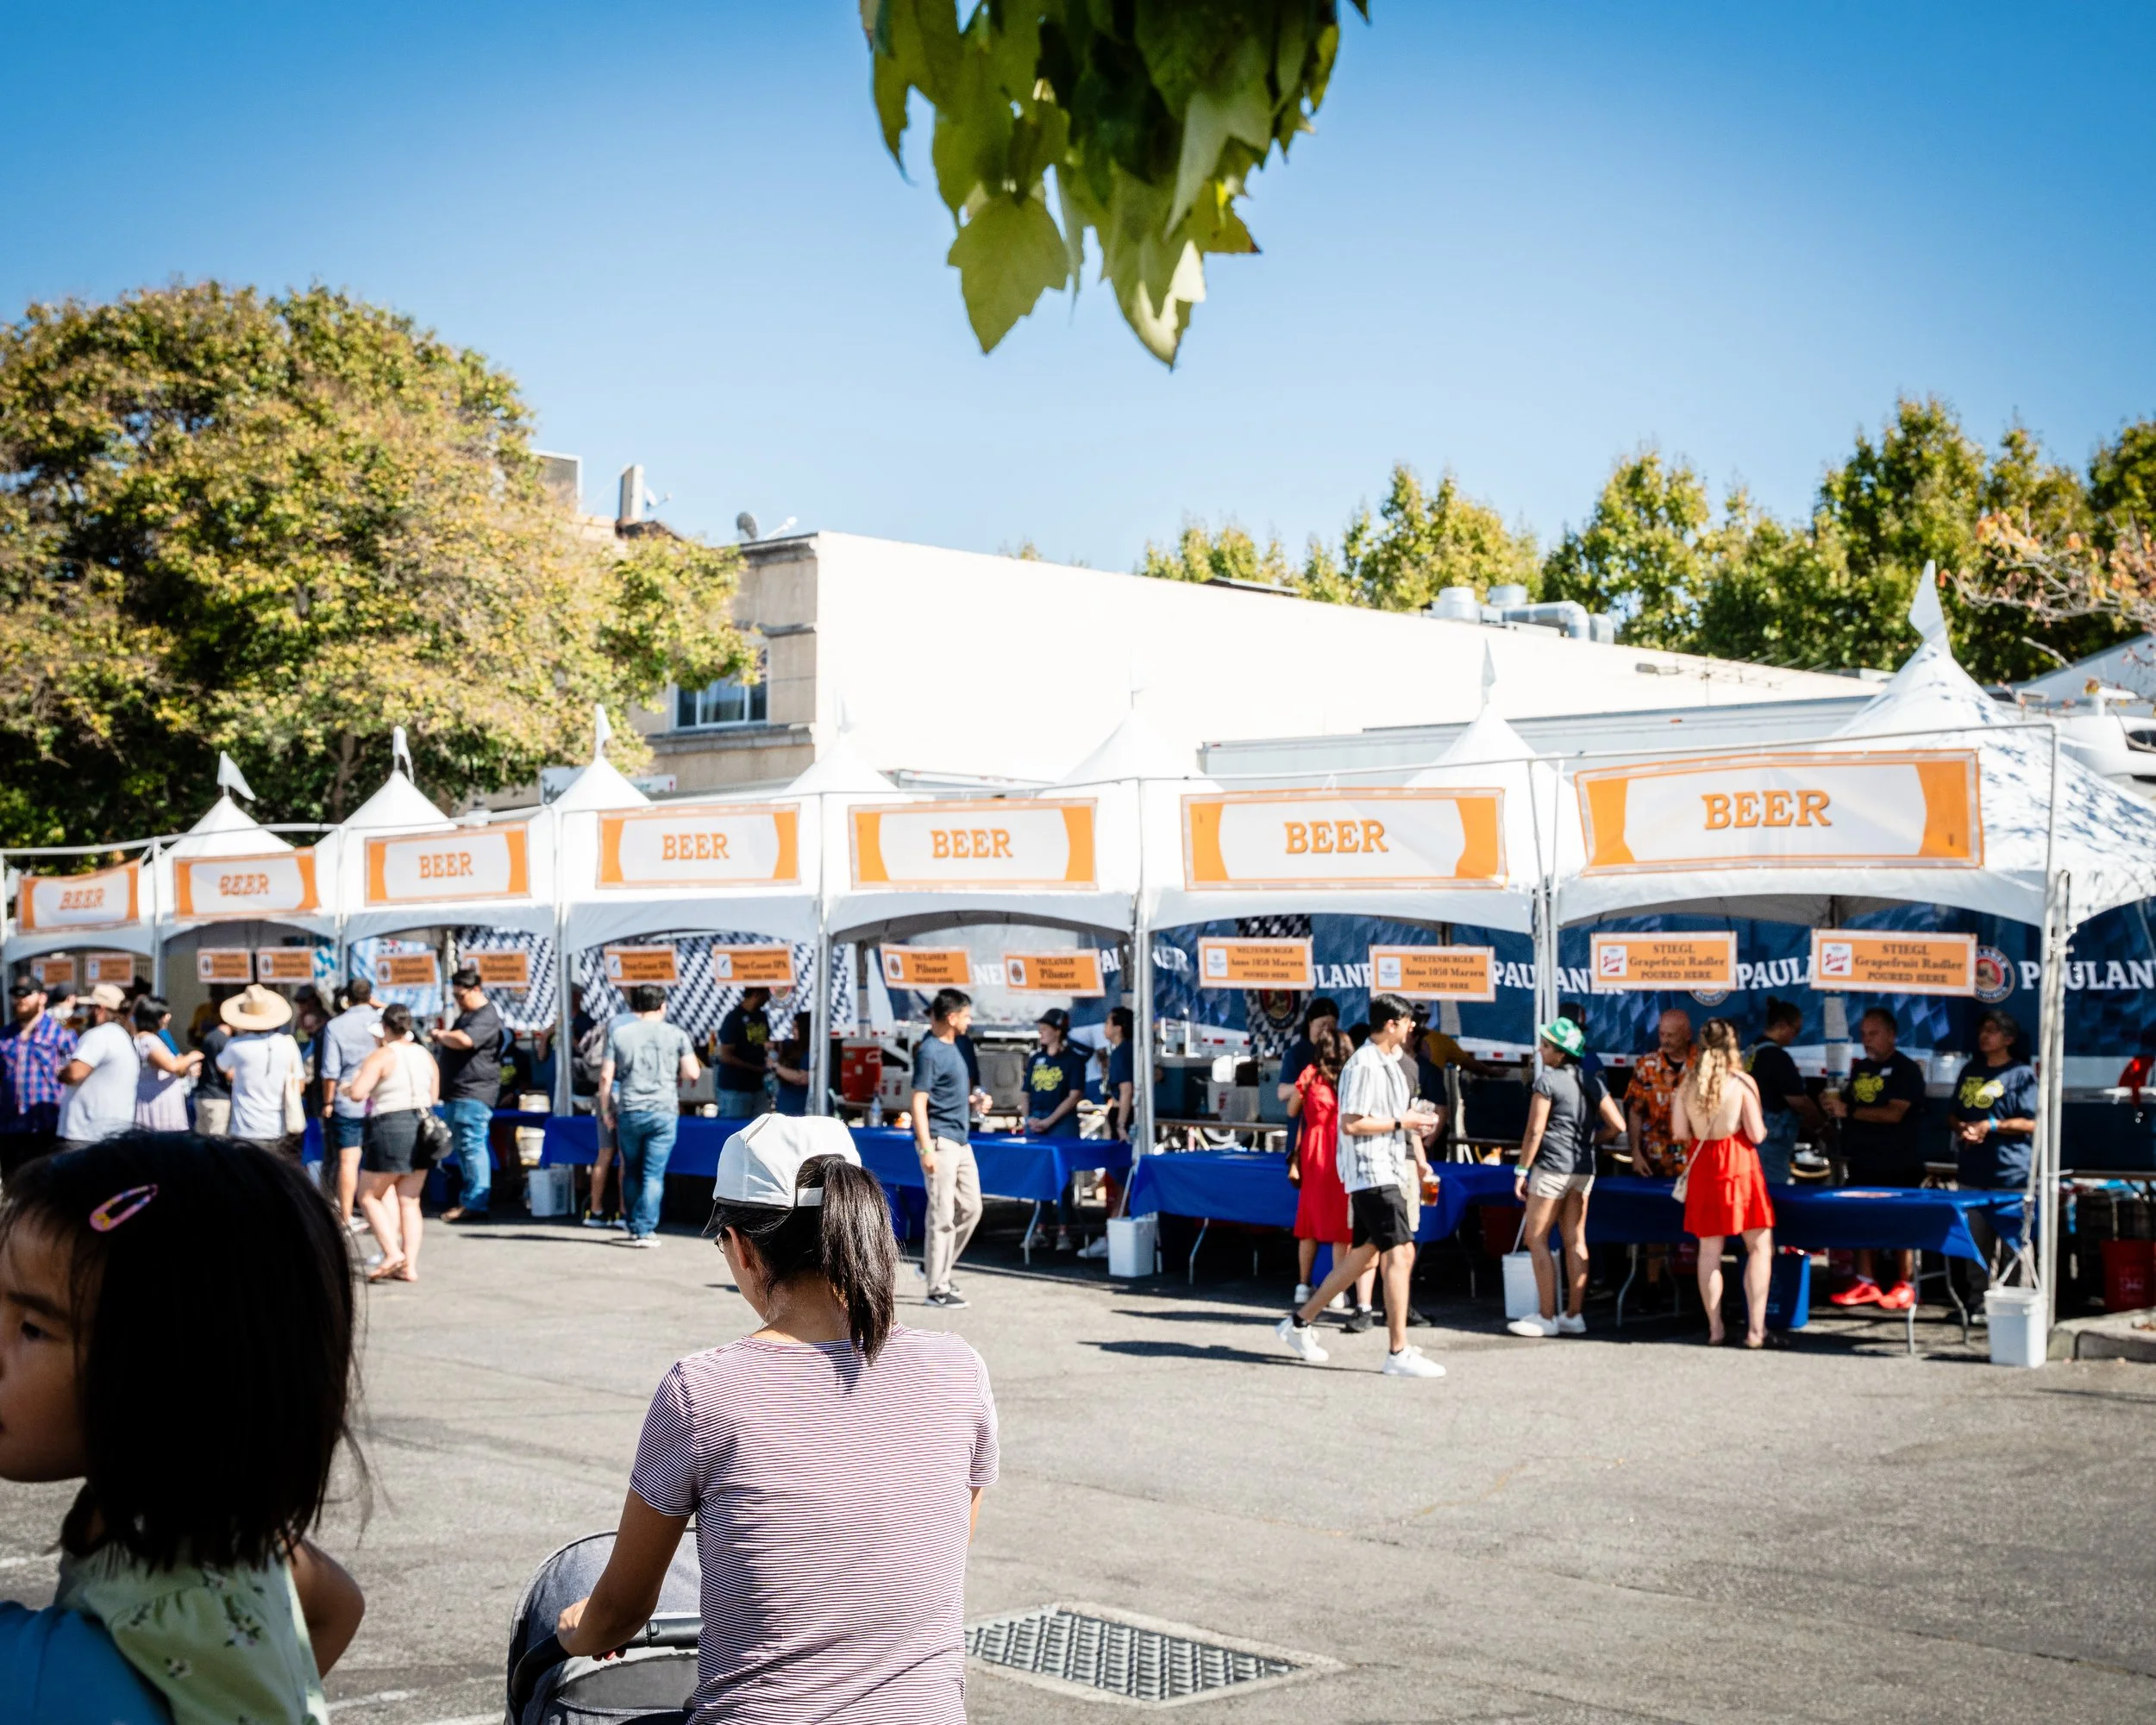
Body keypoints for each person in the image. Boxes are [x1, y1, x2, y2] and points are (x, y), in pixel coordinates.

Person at [554, 1120, 996, 1722]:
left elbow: (621, 1614)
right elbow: (940, 1542)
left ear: (740, 1246)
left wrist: (572, 1631)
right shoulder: (959, 1369)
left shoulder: (702, 1391)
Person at [0, 1132, 367, 1722]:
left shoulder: (182, 1594)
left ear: (164, 1376)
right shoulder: (191, 1520)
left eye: (33, 1328)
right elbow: (336, 1600)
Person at [1275, 994, 1447, 1377]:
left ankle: (1300, 1323)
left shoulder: (1390, 1062)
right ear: (1390, 1025)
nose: (1412, 1028)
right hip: (1371, 1173)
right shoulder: (1365, 1063)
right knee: (1400, 1255)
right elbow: (1351, 1123)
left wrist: (1417, 1130)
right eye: (1407, 1022)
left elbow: (1396, 1117)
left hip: (1385, 1168)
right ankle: (1397, 1351)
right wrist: (1402, 1124)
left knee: (1366, 1257)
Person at [1506, 1018, 1627, 1339]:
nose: (1541, 1050)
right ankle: (1574, 1314)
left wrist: (1521, 1169)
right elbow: (1618, 1126)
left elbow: (1534, 1130)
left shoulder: (1547, 1082)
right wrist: (1591, 1141)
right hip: (1583, 1168)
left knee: (1537, 1238)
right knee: (1575, 1239)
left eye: (1546, 1046)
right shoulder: (1592, 1080)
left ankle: (1547, 1316)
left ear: (1561, 1054)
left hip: (1552, 1167)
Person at [1670, 1017, 1776, 1347]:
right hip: (1739, 1166)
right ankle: (1756, 1331)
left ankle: (1715, 1328)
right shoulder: (1742, 1083)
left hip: (1703, 1167)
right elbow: (1757, 1134)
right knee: (1758, 1247)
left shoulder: (1686, 1084)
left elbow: (1679, 1133)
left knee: (1709, 1251)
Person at [1820, 1006, 1928, 1310]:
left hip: (1900, 1160)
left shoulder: (1907, 1069)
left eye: (1874, 1034)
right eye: (1863, 1034)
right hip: (1863, 1159)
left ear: (1892, 1035)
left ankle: (1905, 1283)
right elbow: (1850, 1107)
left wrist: (1849, 1111)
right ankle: (1865, 1281)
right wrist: (1834, 1107)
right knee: (1862, 1219)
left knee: (1900, 1223)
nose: (1867, 1040)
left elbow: (1895, 1113)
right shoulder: (1860, 1069)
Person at [346, 1003, 441, 1284]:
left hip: (391, 1126)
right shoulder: (425, 1055)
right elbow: (434, 1095)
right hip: (424, 1126)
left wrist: (350, 1087)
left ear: (385, 1028)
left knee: (368, 1195)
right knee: (410, 1200)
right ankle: (409, 1266)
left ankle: (391, 1253)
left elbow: (358, 1093)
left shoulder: (382, 1056)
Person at [599, 984, 699, 1248]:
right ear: (662, 1005)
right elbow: (693, 1073)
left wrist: (606, 1109)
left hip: (630, 1108)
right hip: (663, 1109)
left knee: (630, 1169)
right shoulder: (676, 1034)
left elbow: (606, 1076)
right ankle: (646, 1229)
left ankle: (632, 1224)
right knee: (653, 1173)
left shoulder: (619, 1033)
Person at [1286, 1021, 1375, 1320]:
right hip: (1343, 1152)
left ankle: (1303, 1284)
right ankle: (1337, 1291)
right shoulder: (1352, 1077)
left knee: (1308, 1222)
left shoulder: (1309, 1076)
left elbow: (1291, 1110)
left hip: (1313, 1152)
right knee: (1341, 1226)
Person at [1948, 1009, 2039, 1296]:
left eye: (1992, 1030)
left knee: (2015, 1246)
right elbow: (1951, 1114)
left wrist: (1991, 1126)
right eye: (1982, 1030)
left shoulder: (2021, 1074)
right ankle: (1978, 1301)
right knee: (1975, 1243)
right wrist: (1963, 1127)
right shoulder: (1970, 1070)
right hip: (1972, 1174)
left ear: (2009, 1039)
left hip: (2010, 1176)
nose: (1984, 1035)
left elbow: (2032, 1122)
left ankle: (2017, 1303)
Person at [912, 988, 983, 1310]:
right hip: (941, 1141)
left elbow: (947, 1094)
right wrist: (927, 1148)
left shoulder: (957, 1047)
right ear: (952, 1017)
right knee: (941, 1215)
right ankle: (937, 1289)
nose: (970, 1020)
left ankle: (933, 1266)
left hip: (961, 1140)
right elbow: (919, 1102)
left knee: (971, 1208)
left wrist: (974, 1102)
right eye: (966, 1015)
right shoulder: (928, 1051)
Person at [431, 967, 503, 1222]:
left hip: (473, 1092)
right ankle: (471, 1199)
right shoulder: (468, 1014)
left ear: (476, 990)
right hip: (460, 1093)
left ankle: (475, 1203)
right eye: (456, 997)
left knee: (472, 1147)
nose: (458, 1002)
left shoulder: (486, 1016)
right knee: (465, 1149)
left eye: (461, 996)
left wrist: (441, 1035)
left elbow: (465, 1041)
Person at [317, 979, 384, 1231]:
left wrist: (327, 1102)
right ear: (370, 996)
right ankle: (378, 1211)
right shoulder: (381, 1020)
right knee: (379, 1161)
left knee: (348, 1161)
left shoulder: (335, 1025)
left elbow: (330, 1071)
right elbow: (402, 1023)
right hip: (378, 1098)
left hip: (347, 1099)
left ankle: (346, 1216)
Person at [1023, 1008, 1089, 1251]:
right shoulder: (1036, 1059)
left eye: (1046, 1026)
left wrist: (1049, 1121)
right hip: (1037, 1122)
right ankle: (1041, 1229)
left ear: (1058, 1030)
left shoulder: (1072, 1060)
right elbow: (1025, 1091)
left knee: (1062, 1179)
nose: (1040, 1030)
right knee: (1040, 1176)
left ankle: (1064, 1230)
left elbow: (1075, 1096)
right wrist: (1029, 1118)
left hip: (1061, 1124)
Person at [215, 984, 304, 1157]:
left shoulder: (236, 1046)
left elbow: (221, 1066)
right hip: (278, 1125)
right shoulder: (288, 1044)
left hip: (244, 1126)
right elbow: (300, 1085)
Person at [0, 978, 76, 1175]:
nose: (19, 999)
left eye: (26, 994)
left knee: (47, 1192)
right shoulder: (5, 1036)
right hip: (11, 1129)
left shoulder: (60, 1033)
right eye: (16, 995)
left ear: (42, 997)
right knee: (14, 1193)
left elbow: (75, 1074)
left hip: (47, 1127)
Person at [1746, 997, 1824, 1187]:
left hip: (1751, 1135)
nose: (1795, 1036)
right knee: (1773, 1194)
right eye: (1795, 1030)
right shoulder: (1777, 1057)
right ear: (1782, 1025)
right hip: (1770, 1143)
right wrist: (1821, 1126)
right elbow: (1799, 1102)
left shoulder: (1750, 1051)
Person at [55, 985, 141, 1154]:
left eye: (89, 1007)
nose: (85, 1012)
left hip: (85, 1134)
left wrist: (60, 1072)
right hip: (110, 1133)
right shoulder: (122, 1035)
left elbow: (74, 1073)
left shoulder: (99, 1035)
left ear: (99, 1009)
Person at [1626, 1007, 1696, 1177]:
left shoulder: (1703, 1065)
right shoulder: (1646, 1066)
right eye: (1662, 1034)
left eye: (1671, 1036)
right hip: (1653, 1163)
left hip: (1694, 1162)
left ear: (1687, 1035)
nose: (1665, 1041)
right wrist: (1635, 1154)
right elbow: (1636, 1112)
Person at [128, 998, 198, 1133]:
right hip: (157, 1107)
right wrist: (191, 1057)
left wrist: (186, 1070)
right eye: (164, 1014)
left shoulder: (153, 1038)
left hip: (162, 1102)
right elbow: (170, 1066)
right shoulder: (147, 1040)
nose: (168, 1017)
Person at [713, 985, 773, 1119]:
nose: (769, 998)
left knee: (762, 1130)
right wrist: (755, 1068)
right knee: (733, 1131)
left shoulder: (761, 1016)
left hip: (758, 1087)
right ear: (757, 993)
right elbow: (726, 1056)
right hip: (735, 1089)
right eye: (767, 994)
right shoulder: (733, 1019)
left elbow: (764, 1043)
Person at [189, 993, 233, 1137]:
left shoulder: (210, 1037)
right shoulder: (226, 1042)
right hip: (217, 1098)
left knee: (201, 1143)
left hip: (202, 1095)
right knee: (217, 1143)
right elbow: (230, 1073)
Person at [770, 1014, 812, 1116]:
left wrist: (776, 1067)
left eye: (796, 1027)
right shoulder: (791, 1046)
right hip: (786, 1107)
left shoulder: (811, 1052)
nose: (793, 1031)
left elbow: (802, 1078)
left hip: (801, 1107)